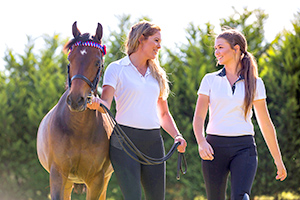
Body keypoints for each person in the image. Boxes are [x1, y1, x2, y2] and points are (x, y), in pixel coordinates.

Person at [87, 21, 187, 200]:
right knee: (133, 197)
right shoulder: (117, 68)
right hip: (124, 141)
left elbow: (163, 114)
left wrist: (177, 135)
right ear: (141, 39)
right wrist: (97, 103)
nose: (159, 46)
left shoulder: (158, 75)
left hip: (153, 142)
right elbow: (106, 104)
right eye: (156, 40)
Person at [192, 29, 287, 200]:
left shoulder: (256, 83)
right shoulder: (209, 80)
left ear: (236, 49)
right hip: (214, 148)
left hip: (244, 148)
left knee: (241, 197)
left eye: (220, 47)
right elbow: (199, 117)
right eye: (215, 48)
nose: (217, 52)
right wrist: (201, 142)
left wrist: (278, 161)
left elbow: (265, 123)